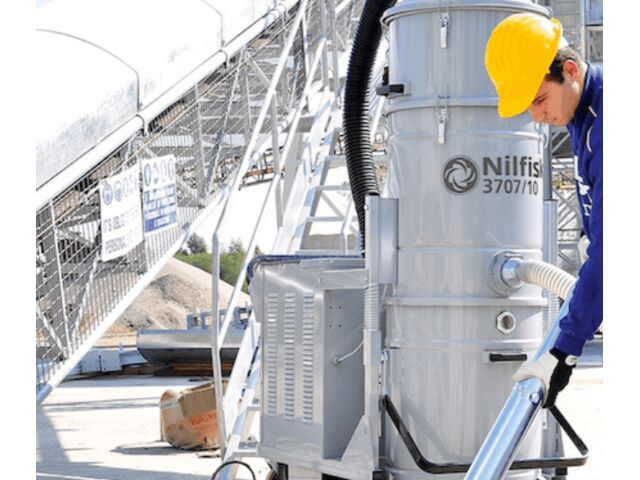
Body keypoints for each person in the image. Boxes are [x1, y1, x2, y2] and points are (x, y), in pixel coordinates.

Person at [484, 12, 603, 408]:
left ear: (570, 71)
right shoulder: (581, 114)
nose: (536, 116)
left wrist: (563, 351)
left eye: (537, 100)